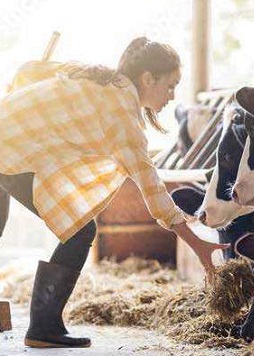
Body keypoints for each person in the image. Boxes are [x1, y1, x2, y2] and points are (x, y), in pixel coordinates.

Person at [0, 36, 228, 348]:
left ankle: (43, 327)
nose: (173, 96)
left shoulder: (97, 75)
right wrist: (199, 245)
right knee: (81, 231)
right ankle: (43, 328)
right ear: (148, 78)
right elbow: (155, 194)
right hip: (8, 151)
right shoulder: (123, 118)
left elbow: (30, 70)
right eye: (171, 85)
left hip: (8, 144)